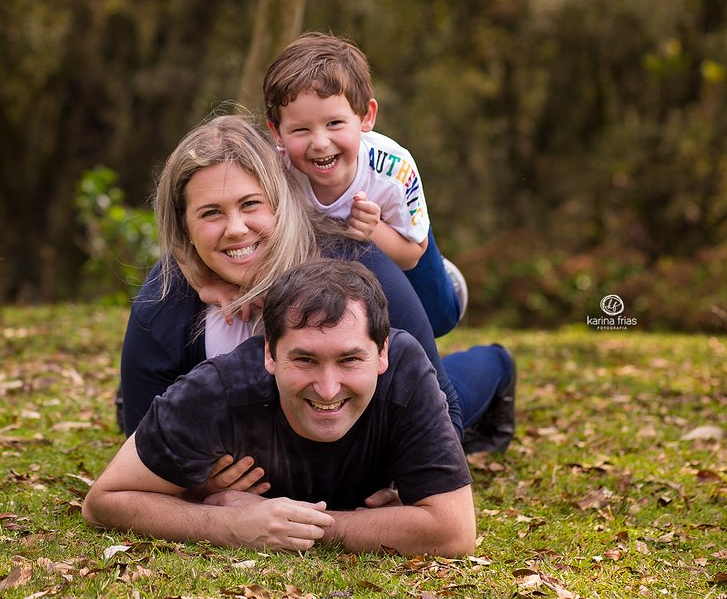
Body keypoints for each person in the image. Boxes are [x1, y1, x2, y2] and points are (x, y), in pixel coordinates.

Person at [120, 114, 515, 455]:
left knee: (449, 386)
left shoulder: (360, 267)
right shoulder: (168, 293)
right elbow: (141, 440)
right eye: (210, 213)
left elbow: (446, 416)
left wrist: (398, 478)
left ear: (281, 200)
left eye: (251, 204)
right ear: (183, 224)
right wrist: (205, 483)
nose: (236, 229)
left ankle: (497, 364)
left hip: (396, 315)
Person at [86, 258, 476, 555]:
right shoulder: (219, 389)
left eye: (350, 360)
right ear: (270, 354)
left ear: (382, 353)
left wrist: (289, 525)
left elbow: (454, 531)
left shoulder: (407, 368)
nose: (327, 389)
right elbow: (102, 502)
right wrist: (228, 525)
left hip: (454, 390)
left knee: (478, 378)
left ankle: (500, 365)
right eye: (305, 360)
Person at [263, 31, 466, 339]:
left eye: (335, 123)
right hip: (329, 261)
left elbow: (412, 254)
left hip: (398, 232)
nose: (320, 143)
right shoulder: (273, 170)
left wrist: (374, 230)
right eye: (301, 129)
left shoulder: (394, 170)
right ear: (277, 133)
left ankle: (447, 278)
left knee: (439, 320)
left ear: (366, 117)